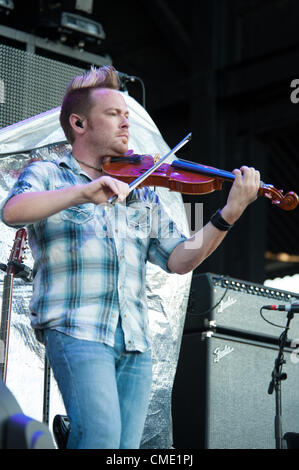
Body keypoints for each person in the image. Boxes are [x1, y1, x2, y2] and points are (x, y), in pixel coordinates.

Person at [0, 65, 260, 449]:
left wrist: (229, 214)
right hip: (77, 328)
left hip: (135, 340)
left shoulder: (140, 192)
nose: (126, 122)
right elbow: (13, 211)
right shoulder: (49, 174)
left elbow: (180, 259)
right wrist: (83, 194)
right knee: (99, 437)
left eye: (127, 114)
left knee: (124, 450)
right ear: (79, 123)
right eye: (113, 114)